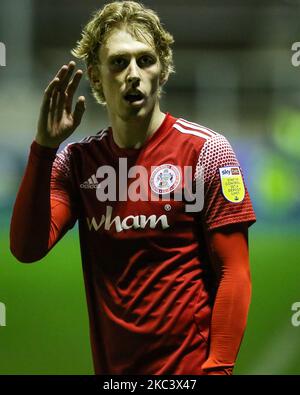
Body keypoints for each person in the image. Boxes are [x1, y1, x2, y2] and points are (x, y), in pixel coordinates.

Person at [10, 1, 256, 375]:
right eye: (119, 62)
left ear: (164, 71)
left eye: (146, 60)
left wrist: (218, 368)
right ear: (95, 76)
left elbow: (234, 272)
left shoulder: (207, 152)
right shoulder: (76, 162)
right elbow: (27, 248)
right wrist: (44, 149)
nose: (134, 74)